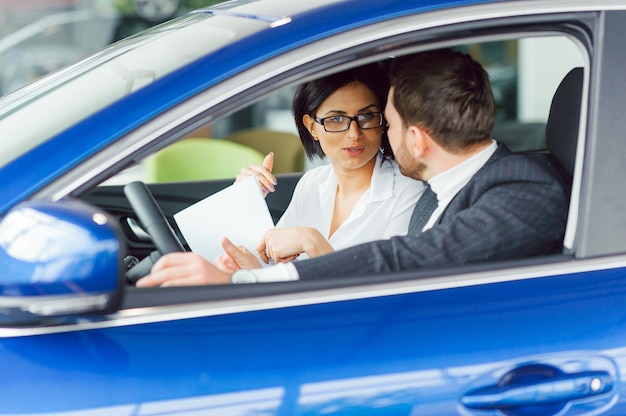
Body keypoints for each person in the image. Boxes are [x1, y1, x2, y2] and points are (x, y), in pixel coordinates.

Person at [136, 48, 568, 287]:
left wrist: (242, 285)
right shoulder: (442, 188)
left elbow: (403, 261)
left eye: (382, 120)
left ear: (414, 138)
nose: (363, 135)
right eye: (338, 121)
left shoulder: (525, 188)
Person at [215, 64, 425, 270]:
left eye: (366, 116)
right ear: (312, 127)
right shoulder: (312, 183)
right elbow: (273, 266)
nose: (354, 134)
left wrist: (313, 243)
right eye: (336, 119)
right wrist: (243, 199)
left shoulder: (408, 192)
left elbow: (387, 291)